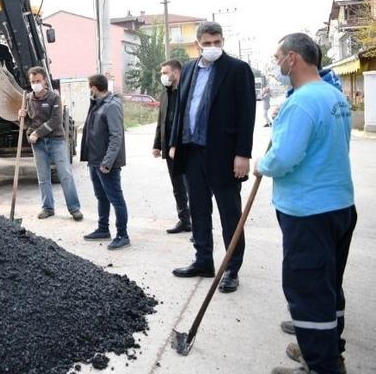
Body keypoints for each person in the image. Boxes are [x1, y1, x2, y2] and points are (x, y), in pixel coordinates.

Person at [256, 33, 355, 374]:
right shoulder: (333, 95)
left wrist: (261, 165)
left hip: (309, 211)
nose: (277, 65)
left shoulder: (300, 103)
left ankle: (322, 366)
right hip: (340, 206)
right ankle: (329, 349)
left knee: (308, 291)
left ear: (293, 59)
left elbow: (283, 158)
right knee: (328, 286)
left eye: (278, 57)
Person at [168, 21, 255, 293]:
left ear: (223, 41)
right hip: (193, 151)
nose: (213, 47)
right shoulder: (190, 68)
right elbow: (180, 108)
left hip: (224, 154)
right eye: (207, 43)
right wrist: (173, 143)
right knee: (199, 210)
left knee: (230, 214)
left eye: (217, 42)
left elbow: (246, 115)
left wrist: (243, 154)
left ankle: (231, 269)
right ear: (198, 45)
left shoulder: (237, 70)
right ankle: (203, 260)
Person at [17, 67, 83, 221]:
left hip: (56, 140)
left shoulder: (54, 98)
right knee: (43, 177)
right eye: (33, 82)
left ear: (44, 81)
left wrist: (36, 133)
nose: (35, 84)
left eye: (38, 81)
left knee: (65, 175)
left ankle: (74, 208)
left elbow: (55, 121)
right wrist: (21, 116)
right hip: (38, 144)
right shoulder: (28, 99)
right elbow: (29, 122)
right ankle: (48, 208)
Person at [81, 75, 130, 250]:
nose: (90, 91)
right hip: (95, 161)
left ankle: (122, 235)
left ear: (94, 87)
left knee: (116, 198)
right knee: (101, 197)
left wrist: (107, 162)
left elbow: (116, 136)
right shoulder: (97, 104)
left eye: (90, 87)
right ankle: (103, 229)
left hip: (106, 164)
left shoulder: (112, 106)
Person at [152, 59, 191, 234]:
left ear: (175, 73)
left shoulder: (187, 90)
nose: (163, 76)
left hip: (185, 147)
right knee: (177, 186)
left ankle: (198, 225)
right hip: (169, 148)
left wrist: (177, 144)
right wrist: (157, 145)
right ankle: (184, 220)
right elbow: (161, 120)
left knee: (192, 187)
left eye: (165, 73)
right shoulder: (166, 92)